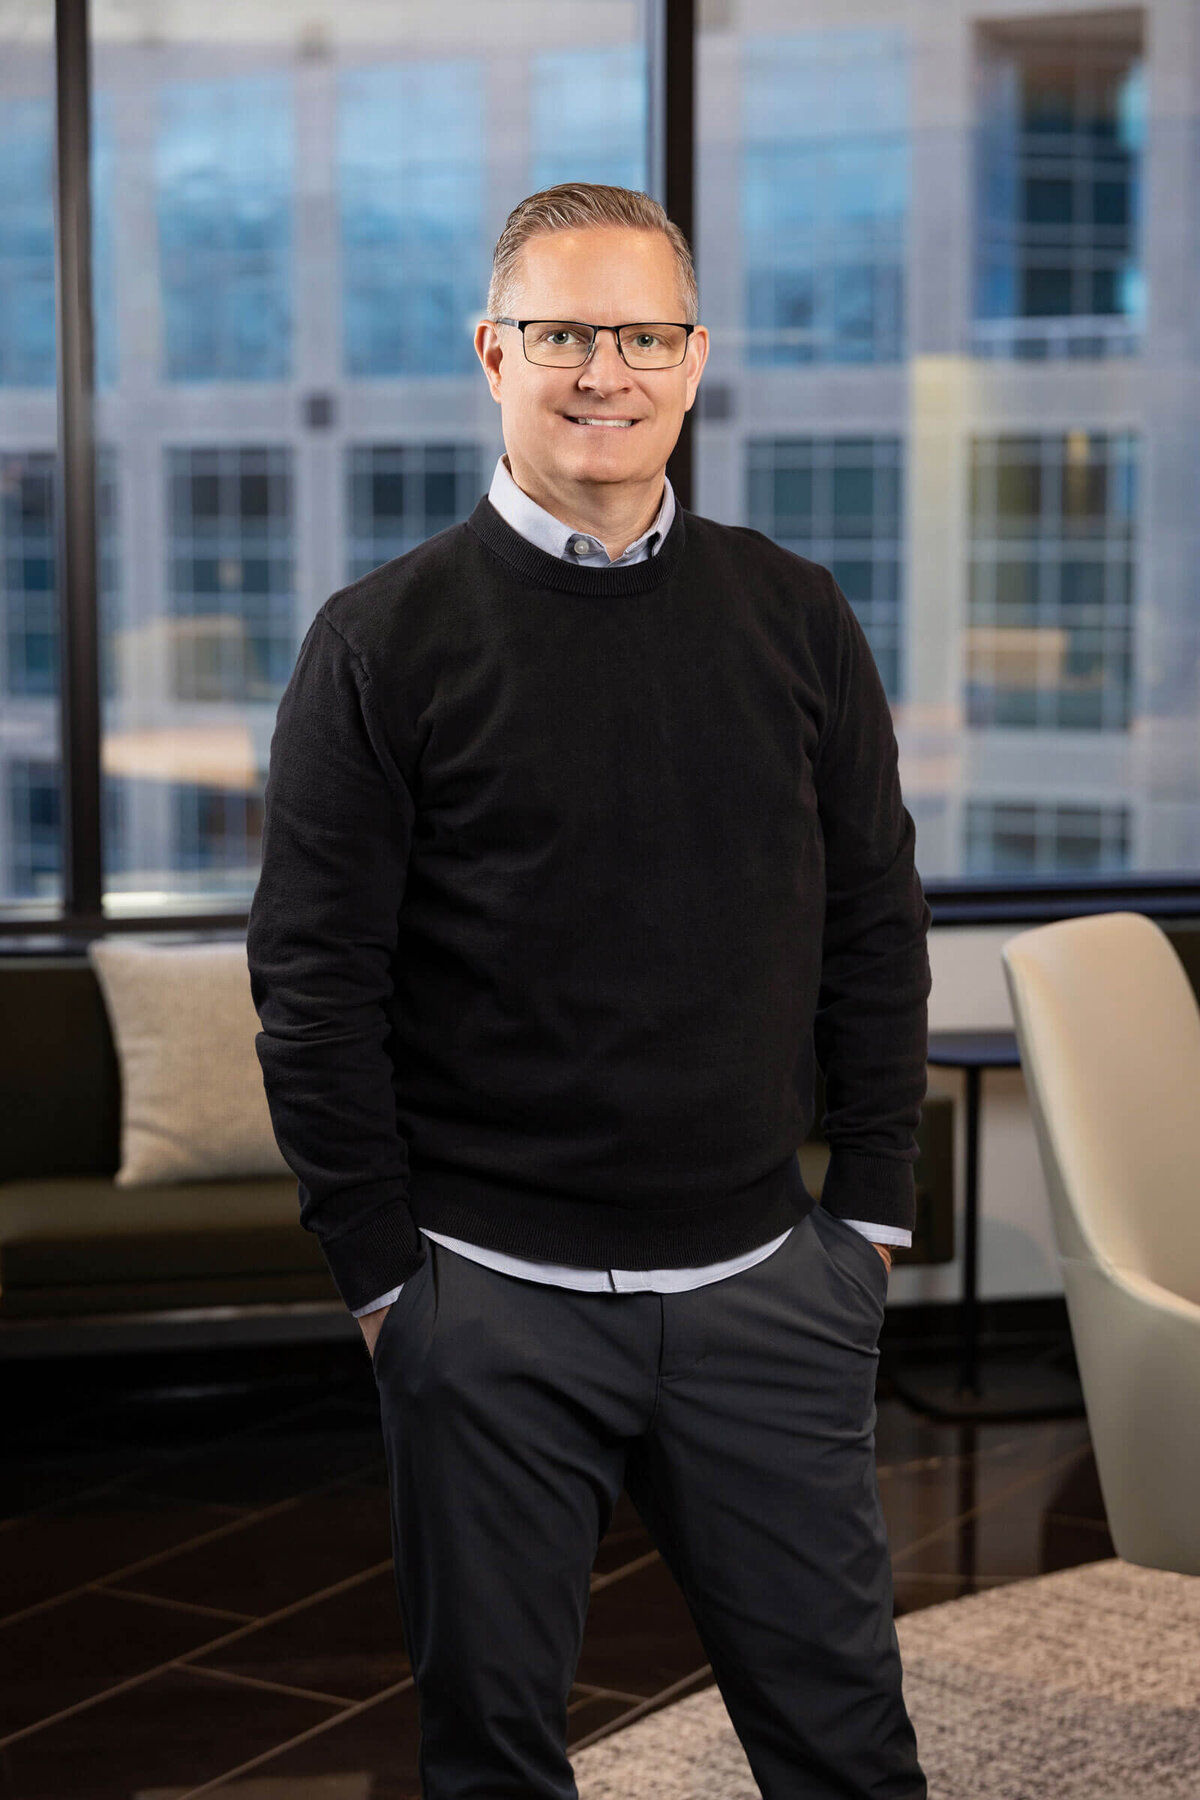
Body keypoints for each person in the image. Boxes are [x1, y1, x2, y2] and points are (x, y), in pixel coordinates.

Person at [247, 181, 931, 1800]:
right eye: (562, 333)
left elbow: (876, 920)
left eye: (640, 335)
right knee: (492, 1756)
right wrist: (380, 1278)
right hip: (485, 1300)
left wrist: (878, 1217)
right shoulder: (380, 642)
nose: (601, 372)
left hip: (771, 1286)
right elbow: (314, 979)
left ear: (696, 361)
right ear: (495, 353)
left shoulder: (797, 616)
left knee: (849, 1744)